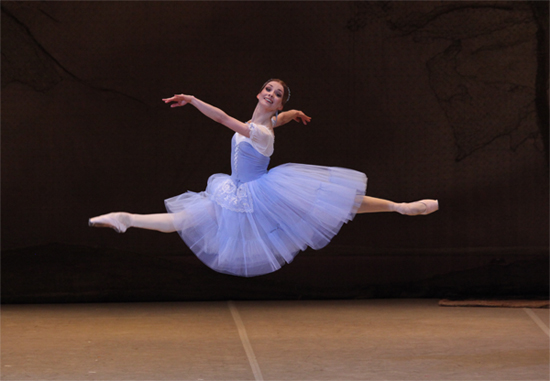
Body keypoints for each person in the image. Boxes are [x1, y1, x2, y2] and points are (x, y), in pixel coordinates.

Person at [89, 79, 438, 277]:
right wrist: (294, 113)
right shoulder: (270, 121)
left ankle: (401, 207)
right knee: (185, 219)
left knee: (330, 204)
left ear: (274, 103)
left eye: (278, 95)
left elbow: (225, 119)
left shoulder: (259, 131)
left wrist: (193, 99)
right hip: (236, 190)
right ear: (260, 94)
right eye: (269, 89)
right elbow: (280, 119)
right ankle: (126, 219)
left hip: (259, 193)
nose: (271, 94)